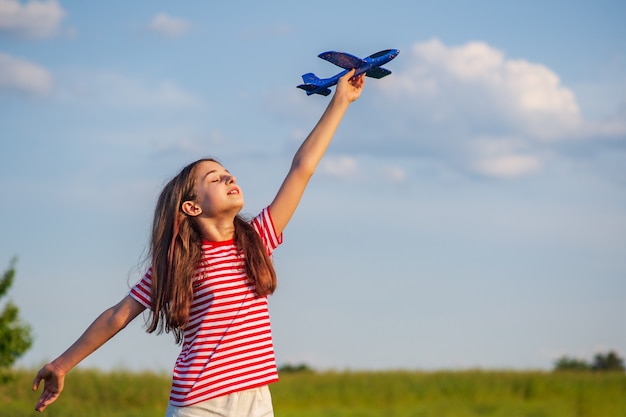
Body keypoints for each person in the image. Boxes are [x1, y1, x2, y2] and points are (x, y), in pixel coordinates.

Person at [32, 69, 365, 416]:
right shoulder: (178, 265)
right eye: (215, 179)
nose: (229, 177)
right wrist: (61, 364)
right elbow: (118, 315)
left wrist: (340, 101)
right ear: (191, 206)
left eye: (228, 173)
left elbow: (302, 168)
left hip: (257, 400)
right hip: (201, 403)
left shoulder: (257, 239)